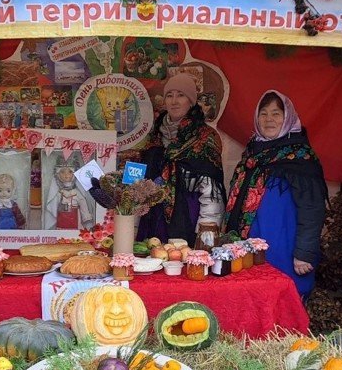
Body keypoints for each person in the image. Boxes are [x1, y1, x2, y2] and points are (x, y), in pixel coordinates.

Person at [223, 90, 327, 301]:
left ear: (287, 117)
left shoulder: (301, 158)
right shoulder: (252, 155)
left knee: (281, 304)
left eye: (276, 113)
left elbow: (312, 209)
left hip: (285, 251)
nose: (269, 119)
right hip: (248, 251)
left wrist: (304, 253)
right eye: (263, 113)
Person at [137, 73, 225, 247]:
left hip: (189, 223)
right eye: (169, 95)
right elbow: (137, 187)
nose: (174, 101)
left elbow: (212, 196)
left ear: (191, 101)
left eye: (181, 95)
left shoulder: (205, 137)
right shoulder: (154, 138)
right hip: (153, 224)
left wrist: (205, 240)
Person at [44, 158, 94, 230]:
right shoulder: (58, 193)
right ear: (57, 174)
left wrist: (88, 223)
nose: (66, 175)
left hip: (75, 225)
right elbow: (52, 209)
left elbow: (84, 208)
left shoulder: (77, 193)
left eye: (70, 172)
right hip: (61, 225)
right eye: (62, 172)